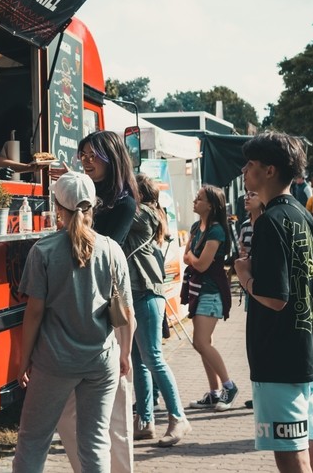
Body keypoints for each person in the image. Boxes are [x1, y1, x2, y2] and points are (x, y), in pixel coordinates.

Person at [13, 171, 134, 473]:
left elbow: (34, 314)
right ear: (93, 206)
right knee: (94, 444)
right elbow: (126, 313)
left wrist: (23, 360)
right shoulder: (112, 250)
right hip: (101, 362)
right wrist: (125, 353)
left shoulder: (43, 251)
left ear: (57, 207)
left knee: (32, 442)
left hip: (54, 362)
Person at [233, 132, 313, 473]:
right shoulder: (303, 216)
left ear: (270, 170)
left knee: (290, 453)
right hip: (305, 347)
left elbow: (275, 297)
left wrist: (244, 274)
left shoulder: (271, 221)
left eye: (251, 164)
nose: (245, 171)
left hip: (278, 353)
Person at [58, 130, 138, 472]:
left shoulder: (124, 203)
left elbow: (102, 250)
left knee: (116, 418)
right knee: (71, 417)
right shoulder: (87, 194)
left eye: (93, 155)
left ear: (112, 157)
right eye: (84, 155)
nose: (87, 160)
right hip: (78, 312)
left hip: (110, 312)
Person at [126, 174, 191, 447]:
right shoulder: (143, 213)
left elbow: (123, 212)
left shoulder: (144, 215)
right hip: (135, 294)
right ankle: (145, 421)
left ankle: (178, 418)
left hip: (146, 293)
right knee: (139, 361)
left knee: (153, 358)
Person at [182, 185, 237, 411]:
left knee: (201, 342)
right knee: (204, 343)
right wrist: (193, 258)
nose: (195, 201)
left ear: (211, 205)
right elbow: (188, 256)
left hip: (211, 291)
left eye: (199, 198)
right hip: (198, 289)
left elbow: (200, 263)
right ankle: (214, 392)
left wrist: (193, 258)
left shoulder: (216, 231)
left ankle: (229, 386)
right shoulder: (197, 227)